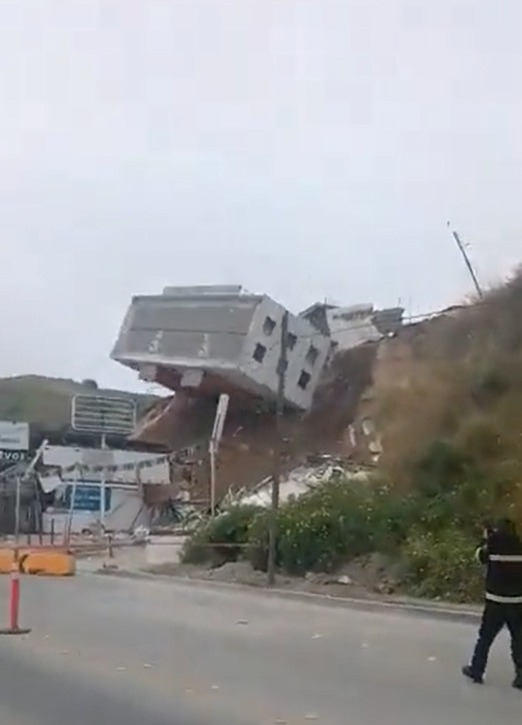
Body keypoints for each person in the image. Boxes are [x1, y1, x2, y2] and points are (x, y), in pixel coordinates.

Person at [462, 518, 522, 688]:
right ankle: (520, 676)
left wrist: (485, 538)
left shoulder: (493, 545)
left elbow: (479, 556)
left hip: (495, 600)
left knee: (485, 638)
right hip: (517, 601)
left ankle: (477, 670)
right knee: (518, 639)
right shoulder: (520, 545)